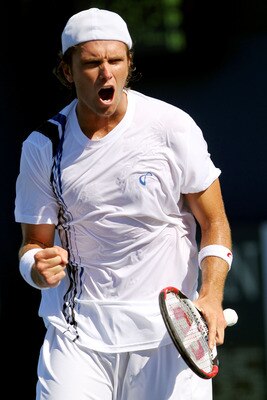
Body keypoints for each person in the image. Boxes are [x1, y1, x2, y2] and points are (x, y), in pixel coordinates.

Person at [14, 7, 233, 400]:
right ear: (68, 72)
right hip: (77, 335)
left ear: (129, 64)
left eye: (115, 60)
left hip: (169, 336)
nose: (106, 73)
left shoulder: (172, 127)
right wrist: (34, 267)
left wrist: (211, 295)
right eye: (92, 63)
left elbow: (214, 221)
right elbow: (35, 244)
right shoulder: (42, 147)